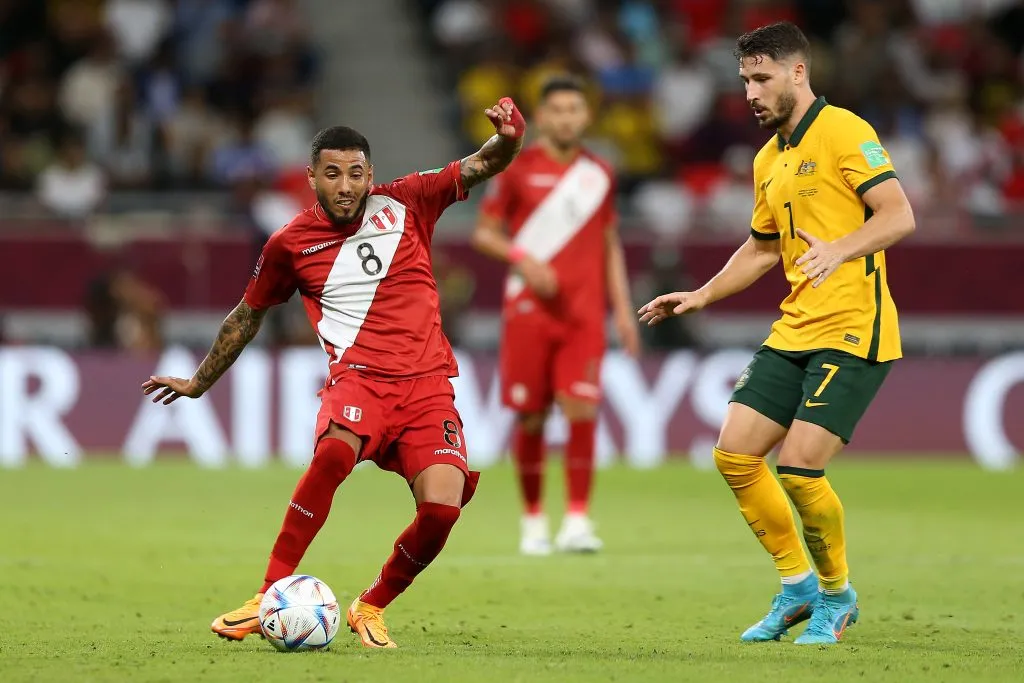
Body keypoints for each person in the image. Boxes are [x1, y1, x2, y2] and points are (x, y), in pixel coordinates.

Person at [142, 98, 526, 648]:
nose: (345, 186)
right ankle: (267, 595)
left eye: (355, 173)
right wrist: (198, 382)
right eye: (332, 174)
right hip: (360, 381)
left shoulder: (408, 201)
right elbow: (247, 315)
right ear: (311, 178)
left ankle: (371, 605)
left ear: (370, 174)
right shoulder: (289, 243)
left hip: (427, 389)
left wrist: (509, 137)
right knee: (332, 455)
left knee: (443, 510)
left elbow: (482, 163)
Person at [639, 22, 915, 645]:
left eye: (761, 79)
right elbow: (763, 248)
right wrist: (703, 294)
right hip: (796, 327)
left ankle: (837, 597)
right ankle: (797, 588)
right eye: (745, 81)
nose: (750, 93)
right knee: (735, 454)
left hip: (854, 327)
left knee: (798, 467)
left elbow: (899, 214)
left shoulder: (846, 131)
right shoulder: (768, 158)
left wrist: (840, 249)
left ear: (797, 72)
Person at [472, 76, 639, 556]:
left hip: (583, 316)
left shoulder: (599, 174)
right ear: (542, 117)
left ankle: (578, 521)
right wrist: (523, 259)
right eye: (558, 110)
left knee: (582, 410)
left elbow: (609, 243)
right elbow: (484, 233)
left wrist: (623, 310)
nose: (567, 118)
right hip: (528, 311)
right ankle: (533, 522)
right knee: (530, 418)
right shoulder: (517, 168)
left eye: (575, 109)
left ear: (586, 116)